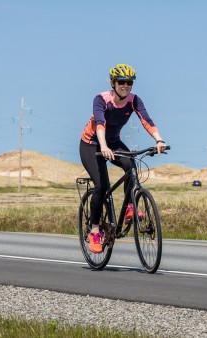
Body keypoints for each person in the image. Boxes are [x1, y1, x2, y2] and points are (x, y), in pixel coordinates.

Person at [79, 64, 168, 253]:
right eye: (122, 82)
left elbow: (146, 120)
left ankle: (129, 208)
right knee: (101, 186)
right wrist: (102, 146)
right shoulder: (101, 99)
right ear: (113, 83)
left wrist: (159, 139)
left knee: (131, 166)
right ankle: (94, 230)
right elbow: (100, 123)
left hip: (113, 142)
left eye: (129, 82)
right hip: (91, 144)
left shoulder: (134, 101)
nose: (126, 86)